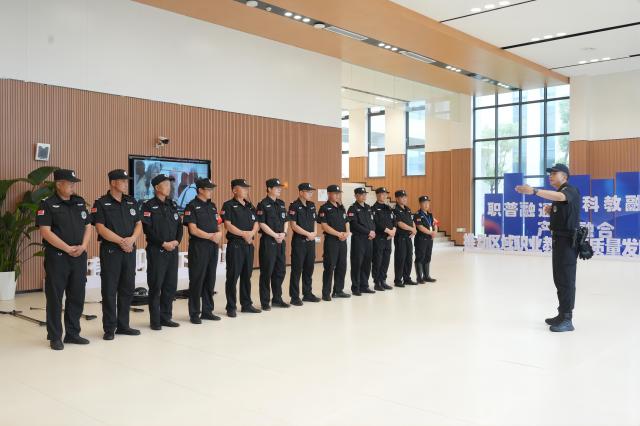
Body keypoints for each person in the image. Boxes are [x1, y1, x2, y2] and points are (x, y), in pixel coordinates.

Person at [516, 163, 580, 332]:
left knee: (566, 279)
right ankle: (561, 314)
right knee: (559, 278)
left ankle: (567, 319)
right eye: (549, 173)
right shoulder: (560, 194)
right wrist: (552, 210)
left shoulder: (569, 190)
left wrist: (534, 191)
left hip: (567, 242)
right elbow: (564, 207)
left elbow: (561, 197)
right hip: (559, 240)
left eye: (554, 173)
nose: (550, 176)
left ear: (564, 176)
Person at [36, 169, 92, 350]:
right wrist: (67, 248)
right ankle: (55, 337)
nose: (73, 186)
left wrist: (83, 246)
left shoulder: (79, 202)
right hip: (58, 257)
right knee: (55, 297)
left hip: (79, 255)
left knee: (77, 295)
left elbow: (88, 226)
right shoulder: (47, 204)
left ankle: (73, 334)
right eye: (70, 183)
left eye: (74, 183)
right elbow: (45, 232)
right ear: (59, 184)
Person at [91, 169, 142, 341]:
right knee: (109, 290)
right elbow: (100, 228)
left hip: (129, 251)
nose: (126, 184)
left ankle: (123, 325)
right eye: (123, 181)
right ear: (113, 183)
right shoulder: (101, 203)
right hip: (111, 251)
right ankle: (109, 328)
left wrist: (132, 239)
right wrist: (121, 241)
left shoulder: (131, 201)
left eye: (127, 181)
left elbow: (138, 224)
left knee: (127, 289)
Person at [141, 174, 183, 330]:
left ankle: (166, 317)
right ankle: (155, 320)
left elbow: (180, 226)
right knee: (156, 285)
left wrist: (177, 241)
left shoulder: (172, 204)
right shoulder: (148, 206)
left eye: (169, 185)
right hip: (157, 250)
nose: (168, 187)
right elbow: (147, 229)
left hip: (172, 250)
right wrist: (163, 243)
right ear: (157, 187)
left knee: (170, 285)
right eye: (165, 185)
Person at [182, 177, 222, 324]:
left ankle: (207, 311)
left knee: (210, 279)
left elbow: (219, 224)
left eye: (212, 189)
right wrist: (211, 236)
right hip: (199, 247)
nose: (211, 191)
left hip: (213, 247)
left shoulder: (212, 206)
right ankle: (194, 313)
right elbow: (193, 230)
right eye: (209, 189)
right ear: (200, 190)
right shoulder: (191, 206)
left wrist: (219, 234)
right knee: (197, 280)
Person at [221, 179, 261, 317]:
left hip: (249, 245)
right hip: (236, 245)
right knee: (233, 277)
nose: (246, 190)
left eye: (247, 188)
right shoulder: (228, 205)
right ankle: (231, 307)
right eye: (243, 188)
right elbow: (228, 225)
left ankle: (246, 304)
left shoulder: (250, 206)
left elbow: (257, 223)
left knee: (246, 276)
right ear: (234, 190)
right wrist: (244, 234)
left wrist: (251, 233)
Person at [256, 178, 289, 311]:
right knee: (267, 272)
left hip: (281, 241)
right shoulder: (262, 204)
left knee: (280, 271)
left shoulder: (281, 203)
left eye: (280, 187)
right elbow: (261, 223)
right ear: (269, 189)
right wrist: (275, 235)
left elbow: (286, 220)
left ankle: (277, 299)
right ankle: (265, 301)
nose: (280, 189)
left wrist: (284, 233)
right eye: (277, 187)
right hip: (268, 242)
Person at [317, 184, 351, 301]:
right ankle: (326, 293)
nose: (337, 196)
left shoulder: (341, 207)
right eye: (335, 193)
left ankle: (338, 290)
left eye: (339, 194)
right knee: (330, 266)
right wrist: (338, 234)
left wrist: (347, 233)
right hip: (331, 241)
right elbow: (324, 226)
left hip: (342, 241)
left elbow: (346, 221)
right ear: (329, 194)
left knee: (342, 266)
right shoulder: (324, 208)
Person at [288, 183, 320, 305]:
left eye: (311, 192)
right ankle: (294, 297)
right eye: (308, 192)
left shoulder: (312, 205)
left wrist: (314, 233)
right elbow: (293, 225)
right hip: (299, 242)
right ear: (301, 192)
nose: (310, 194)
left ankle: (307, 294)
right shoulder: (294, 206)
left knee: (309, 268)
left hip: (310, 242)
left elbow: (315, 221)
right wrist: (307, 233)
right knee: (297, 270)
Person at [347, 187, 376, 295]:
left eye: (365, 194)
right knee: (357, 263)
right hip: (359, 239)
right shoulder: (352, 208)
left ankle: (364, 286)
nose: (364, 196)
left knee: (367, 263)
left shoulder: (368, 208)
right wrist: (368, 232)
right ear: (356, 196)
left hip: (369, 240)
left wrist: (373, 232)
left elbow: (372, 222)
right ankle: (356, 287)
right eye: (361, 194)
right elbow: (354, 225)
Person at [371, 187, 395, 291]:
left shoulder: (388, 208)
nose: (385, 196)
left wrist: (393, 231)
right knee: (378, 261)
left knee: (386, 260)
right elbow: (376, 223)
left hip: (388, 238)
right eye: (382, 194)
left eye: (386, 194)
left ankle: (383, 280)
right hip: (379, 239)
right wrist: (388, 231)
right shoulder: (374, 208)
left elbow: (394, 220)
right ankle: (377, 282)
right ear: (377, 195)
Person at [393, 190, 417, 287]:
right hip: (400, 238)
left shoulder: (407, 209)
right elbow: (399, 223)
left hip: (408, 238)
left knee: (408, 258)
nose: (404, 199)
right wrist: (411, 229)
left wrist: (414, 229)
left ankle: (407, 278)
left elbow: (412, 221)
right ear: (397, 198)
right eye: (402, 197)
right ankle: (398, 280)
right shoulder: (395, 209)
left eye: (405, 197)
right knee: (400, 258)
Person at [413, 195, 437, 284]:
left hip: (429, 239)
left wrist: (435, 232)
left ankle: (427, 276)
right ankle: (419, 277)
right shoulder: (418, 214)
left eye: (428, 203)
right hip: (421, 239)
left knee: (427, 256)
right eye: (424, 203)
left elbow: (435, 224)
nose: (426, 205)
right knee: (420, 257)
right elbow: (420, 227)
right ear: (420, 204)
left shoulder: (430, 215)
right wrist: (431, 233)